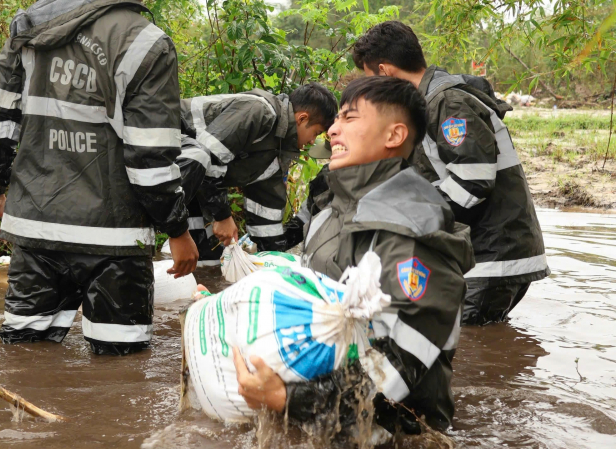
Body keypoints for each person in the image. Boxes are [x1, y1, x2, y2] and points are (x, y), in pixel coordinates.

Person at [233, 76, 474, 437]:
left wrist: (293, 398)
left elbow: (401, 366)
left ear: (393, 136)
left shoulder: (413, 230)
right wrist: (235, 313)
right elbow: (306, 303)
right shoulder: (329, 209)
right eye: (335, 121)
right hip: (321, 416)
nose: (332, 130)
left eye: (349, 118)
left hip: (394, 433)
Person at [0, 0, 198, 355]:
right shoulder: (146, 41)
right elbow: (150, 157)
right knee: (121, 375)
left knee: (23, 360)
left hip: (36, 229)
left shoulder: (31, 25)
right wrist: (177, 230)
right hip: (115, 239)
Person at [351, 21, 550, 325]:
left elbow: (472, 181)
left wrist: (410, 221)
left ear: (385, 71)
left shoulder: (447, 101)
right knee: (484, 344)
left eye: (370, 81)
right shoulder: (427, 104)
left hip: (492, 255)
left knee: (468, 352)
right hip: (486, 254)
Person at [175, 83, 336, 262]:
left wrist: (274, 260)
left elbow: (267, 217)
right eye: (316, 133)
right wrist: (223, 216)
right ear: (302, 119)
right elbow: (208, 160)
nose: (312, 141)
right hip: (165, 151)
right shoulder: (259, 111)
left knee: (207, 261)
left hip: (192, 182)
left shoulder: (276, 153)